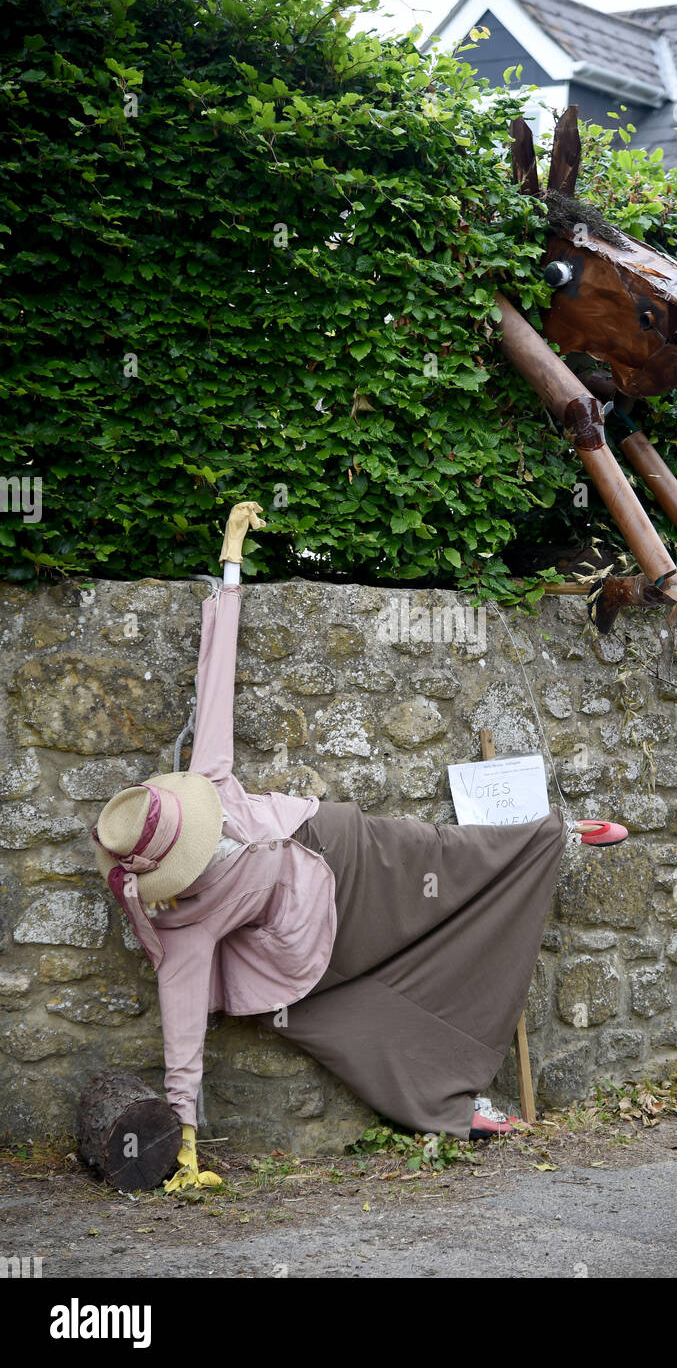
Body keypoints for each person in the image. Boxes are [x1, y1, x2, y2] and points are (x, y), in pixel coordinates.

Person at [92, 501, 572, 1192]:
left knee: (438, 851)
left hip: (339, 845)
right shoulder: (183, 927)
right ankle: (453, 1105)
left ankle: (545, 837)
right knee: (345, 1020)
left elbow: (213, 679)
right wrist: (184, 1139)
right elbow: (181, 1034)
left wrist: (230, 562)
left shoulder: (210, 781)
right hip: (311, 934)